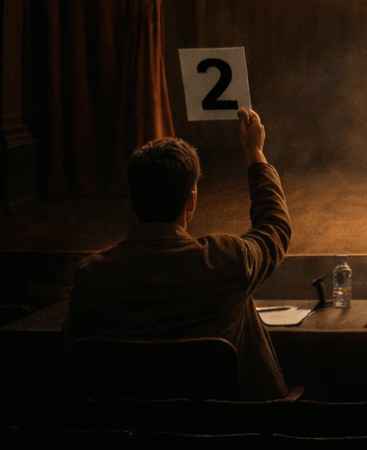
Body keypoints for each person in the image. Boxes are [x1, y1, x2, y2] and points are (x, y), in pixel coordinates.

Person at [63, 108, 292, 400]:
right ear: (191, 201)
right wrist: (254, 153)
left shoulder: (92, 275)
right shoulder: (226, 261)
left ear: (133, 200)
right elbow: (274, 227)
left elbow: (72, 355)